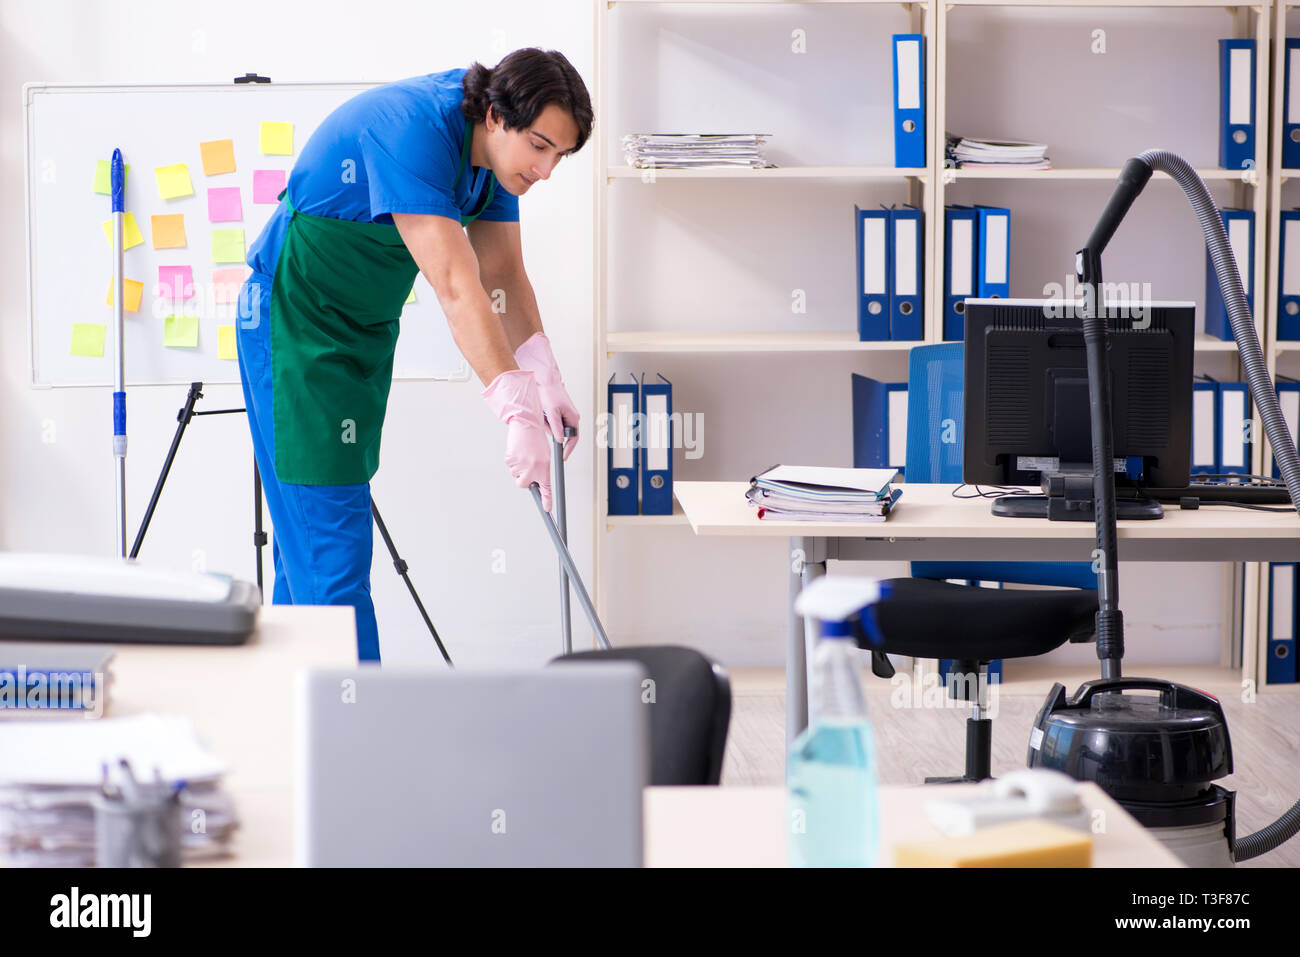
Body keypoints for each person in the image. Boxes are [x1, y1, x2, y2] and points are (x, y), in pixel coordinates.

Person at [235, 49, 591, 661]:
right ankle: (358, 736)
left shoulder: (492, 165)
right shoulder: (415, 128)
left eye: (560, 155)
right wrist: (514, 409)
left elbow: (501, 271)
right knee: (333, 557)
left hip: (361, 335)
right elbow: (457, 285)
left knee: (309, 554)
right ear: (498, 115)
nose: (547, 169)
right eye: (540, 146)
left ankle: (296, 730)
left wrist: (543, 370)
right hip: (294, 327)